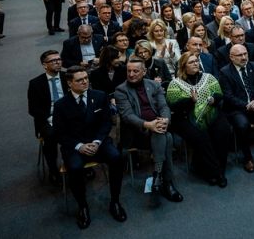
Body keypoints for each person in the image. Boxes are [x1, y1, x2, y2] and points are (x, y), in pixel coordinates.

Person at [53, 65, 127, 229]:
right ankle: (83, 206)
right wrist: (79, 146)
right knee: (75, 167)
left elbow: (106, 123)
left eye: (86, 78)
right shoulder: (60, 105)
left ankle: (115, 201)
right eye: (79, 80)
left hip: (98, 142)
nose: (85, 82)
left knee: (116, 158)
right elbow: (60, 133)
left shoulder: (99, 96)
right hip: (75, 146)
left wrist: (97, 142)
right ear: (69, 83)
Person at [114, 58, 183, 207]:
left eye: (135, 71)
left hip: (157, 129)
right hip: (136, 133)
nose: (131, 74)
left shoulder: (154, 85)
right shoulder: (121, 90)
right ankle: (166, 182)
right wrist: (148, 125)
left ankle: (159, 177)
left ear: (144, 72)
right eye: (129, 71)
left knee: (163, 134)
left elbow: (164, 106)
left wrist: (164, 120)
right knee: (167, 137)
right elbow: (127, 116)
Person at [166, 52, 231, 187]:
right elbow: (173, 105)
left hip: (211, 111)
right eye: (191, 62)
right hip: (184, 117)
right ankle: (217, 173)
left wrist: (214, 99)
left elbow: (219, 94)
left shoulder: (208, 77)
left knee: (223, 131)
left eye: (196, 61)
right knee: (201, 138)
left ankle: (214, 170)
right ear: (183, 66)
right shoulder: (175, 83)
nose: (195, 63)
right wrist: (190, 101)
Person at [218, 43, 254, 174]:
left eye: (245, 54)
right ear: (231, 57)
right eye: (240, 55)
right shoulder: (225, 72)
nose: (244, 57)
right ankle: (247, 158)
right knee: (242, 125)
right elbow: (228, 96)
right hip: (237, 108)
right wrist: (248, 105)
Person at [27, 50, 67, 185]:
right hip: (47, 118)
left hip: (69, 115)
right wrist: (51, 119)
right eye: (53, 60)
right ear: (45, 65)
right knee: (50, 136)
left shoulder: (68, 77)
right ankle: (53, 170)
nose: (58, 62)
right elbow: (33, 110)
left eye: (59, 59)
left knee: (83, 127)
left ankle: (82, 164)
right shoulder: (35, 83)